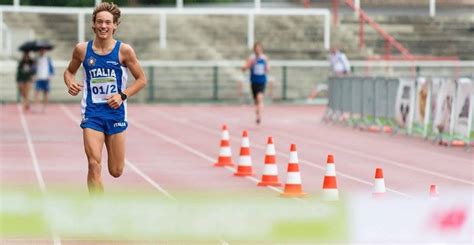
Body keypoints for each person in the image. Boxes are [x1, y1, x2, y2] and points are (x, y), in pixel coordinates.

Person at [63, 2, 147, 194]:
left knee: (116, 170)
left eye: (108, 22)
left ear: (115, 25)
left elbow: (142, 80)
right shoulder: (82, 50)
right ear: (93, 24)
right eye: (99, 22)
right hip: (92, 113)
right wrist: (70, 83)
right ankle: (98, 210)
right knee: (93, 164)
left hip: (116, 114)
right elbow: (69, 72)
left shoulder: (124, 51)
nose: (103, 26)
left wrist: (122, 95)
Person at [241, 42, 270, 125]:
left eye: (259, 49)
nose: (258, 50)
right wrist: (250, 65)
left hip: (262, 81)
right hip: (254, 81)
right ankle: (258, 114)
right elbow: (243, 69)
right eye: (256, 48)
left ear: (261, 49)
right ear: (254, 49)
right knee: (256, 100)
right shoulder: (251, 58)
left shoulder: (264, 58)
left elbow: (268, 68)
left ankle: (259, 115)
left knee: (260, 97)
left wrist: (267, 68)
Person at [34, 48, 54, 112]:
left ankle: (45, 108)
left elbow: (51, 68)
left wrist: (50, 75)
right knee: (36, 93)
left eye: (43, 51)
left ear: (45, 51)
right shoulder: (36, 59)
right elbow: (33, 68)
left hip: (46, 78)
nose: (42, 52)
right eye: (40, 51)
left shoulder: (48, 59)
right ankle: (37, 107)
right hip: (38, 78)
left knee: (46, 93)